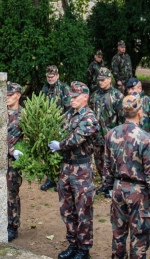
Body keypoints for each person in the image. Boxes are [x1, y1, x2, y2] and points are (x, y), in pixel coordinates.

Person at [103, 95, 150, 259]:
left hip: (118, 188)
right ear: (140, 112)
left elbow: (107, 165)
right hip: (138, 193)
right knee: (139, 237)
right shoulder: (146, 139)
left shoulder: (111, 134)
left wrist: (109, 186)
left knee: (118, 234)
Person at [49, 82, 99, 259]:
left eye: (75, 96)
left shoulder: (89, 117)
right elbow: (59, 130)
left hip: (82, 170)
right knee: (67, 208)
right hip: (66, 167)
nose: (72, 99)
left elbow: (75, 139)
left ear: (85, 97)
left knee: (83, 210)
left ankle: (84, 249)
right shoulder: (69, 113)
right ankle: (73, 243)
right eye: (70, 96)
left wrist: (60, 145)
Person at [90, 67, 124, 196]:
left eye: (103, 80)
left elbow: (122, 118)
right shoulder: (95, 95)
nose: (101, 82)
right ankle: (105, 184)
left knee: (112, 161)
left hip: (112, 136)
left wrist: (121, 136)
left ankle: (113, 186)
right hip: (97, 135)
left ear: (109, 79)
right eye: (99, 80)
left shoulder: (117, 96)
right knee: (99, 160)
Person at [41, 65, 72, 191]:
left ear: (57, 76)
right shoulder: (45, 88)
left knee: (61, 153)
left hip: (61, 126)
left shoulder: (64, 88)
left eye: (52, 76)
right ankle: (50, 179)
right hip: (48, 126)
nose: (50, 78)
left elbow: (69, 109)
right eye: (48, 76)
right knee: (49, 152)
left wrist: (63, 127)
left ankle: (61, 180)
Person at [6, 82, 24, 242]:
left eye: (10, 95)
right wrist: (10, 150)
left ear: (18, 95)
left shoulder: (24, 115)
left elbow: (29, 138)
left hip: (13, 164)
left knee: (12, 194)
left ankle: (13, 226)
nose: (7, 98)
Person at [125, 78, 150, 145]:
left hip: (146, 143)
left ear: (140, 89)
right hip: (129, 144)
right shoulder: (125, 103)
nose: (130, 91)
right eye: (128, 89)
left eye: (133, 88)